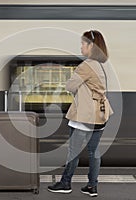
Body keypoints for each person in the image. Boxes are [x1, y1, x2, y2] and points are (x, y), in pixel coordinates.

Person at [47, 30, 113, 197]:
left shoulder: (86, 65)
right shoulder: (100, 66)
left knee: (73, 151)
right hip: (100, 114)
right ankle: (92, 186)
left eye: (83, 44)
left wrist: (75, 83)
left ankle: (65, 183)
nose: (81, 47)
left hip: (85, 115)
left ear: (91, 46)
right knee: (94, 151)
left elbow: (69, 86)